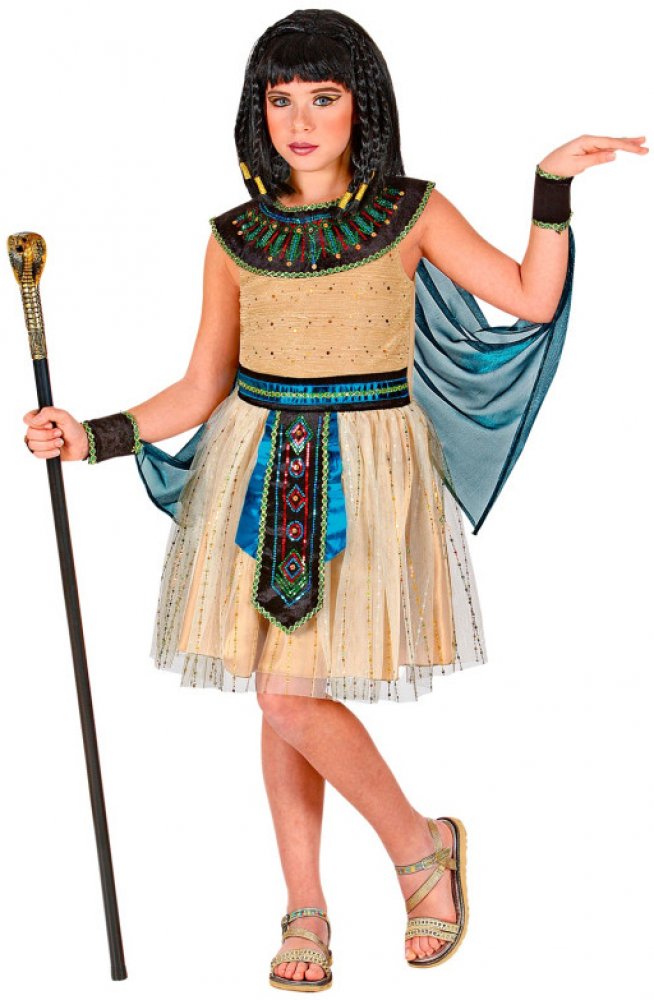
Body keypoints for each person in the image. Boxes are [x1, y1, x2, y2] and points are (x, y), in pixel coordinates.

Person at [22, 7, 647, 992]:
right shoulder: (235, 238)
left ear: (364, 105)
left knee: (288, 694)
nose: (301, 120)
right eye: (281, 100)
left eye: (323, 96)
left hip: (366, 472)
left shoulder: (410, 211)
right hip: (261, 469)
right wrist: (92, 434)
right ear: (257, 111)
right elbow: (202, 385)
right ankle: (306, 905)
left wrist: (550, 186)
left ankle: (419, 846)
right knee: (284, 695)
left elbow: (530, 296)